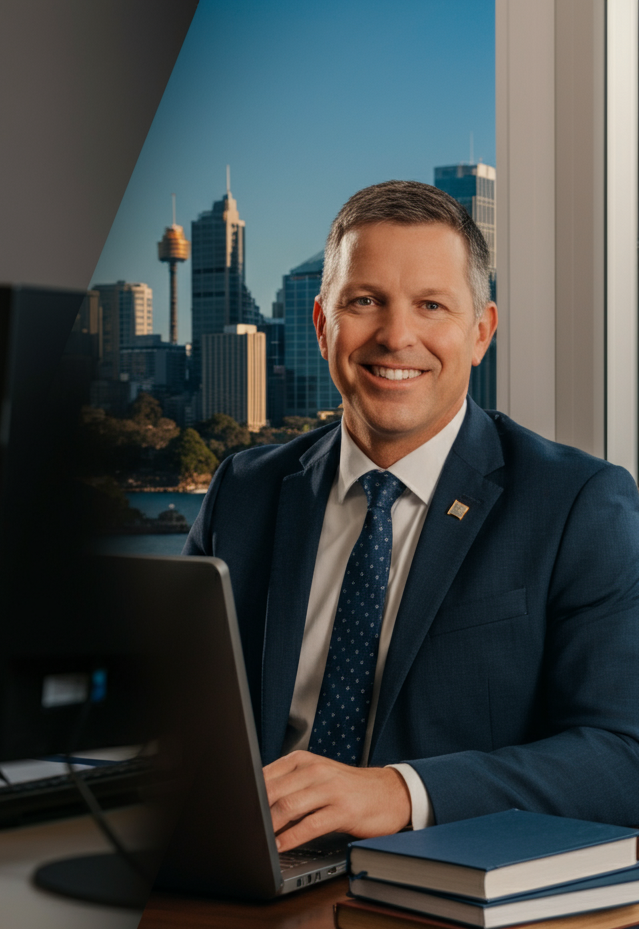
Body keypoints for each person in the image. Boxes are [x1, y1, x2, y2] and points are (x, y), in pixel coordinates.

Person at [184, 180, 639, 851]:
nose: (397, 337)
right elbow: (168, 709)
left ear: (481, 332)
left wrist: (401, 792)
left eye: (431, 306)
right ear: (321, 325)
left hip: (448, 897)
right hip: (245, 872)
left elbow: (622, 758)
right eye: (365, 302)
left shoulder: (578, 503)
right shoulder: (244, 491)